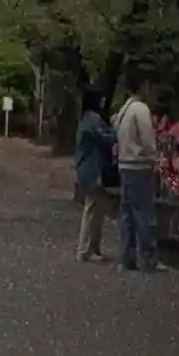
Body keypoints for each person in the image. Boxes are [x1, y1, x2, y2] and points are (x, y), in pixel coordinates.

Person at [112, 68, 158, 273]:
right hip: (139, 165)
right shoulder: (141, 109)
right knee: (144, 214)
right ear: (142, 86)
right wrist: (154, 157)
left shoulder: (125, 108)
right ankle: (149, 259)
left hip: (124, 164)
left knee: (127, 213)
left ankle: (127, 257)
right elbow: (147, 140)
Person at [73, 90, 115, 262]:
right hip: (92, 169)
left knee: (97, 209)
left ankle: (93, 248)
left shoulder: (87, 118)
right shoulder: (93, 119)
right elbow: (106, 138)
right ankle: (84, 250)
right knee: (92, 209)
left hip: (87, 169)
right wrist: (117, 132)